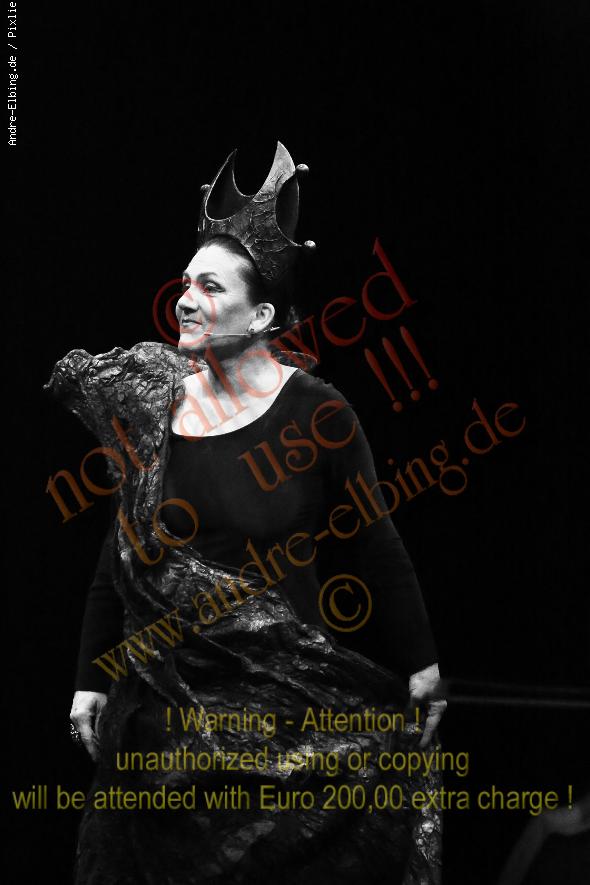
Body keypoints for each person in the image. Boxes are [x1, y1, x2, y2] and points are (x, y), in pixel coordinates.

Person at [47, 142, 446, 884]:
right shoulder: (154, 405)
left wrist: (422, 664)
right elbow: (121, 553)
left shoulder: (318, 414)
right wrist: (89, 677)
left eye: (209, 286)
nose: (185, 299)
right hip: (162, 731)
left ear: (262, 314)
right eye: (184, 282)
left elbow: (377, 542)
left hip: (283, 730)